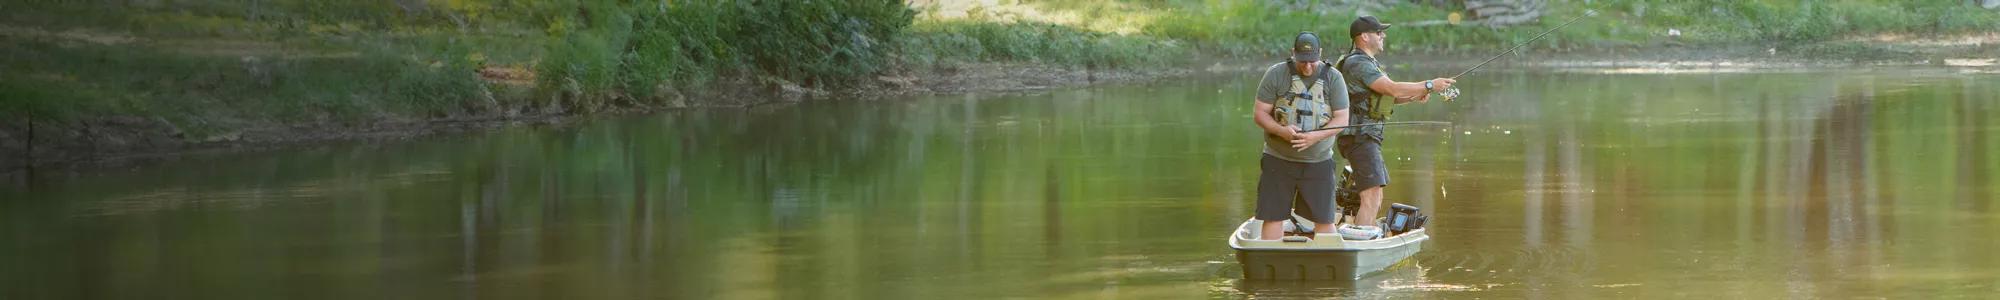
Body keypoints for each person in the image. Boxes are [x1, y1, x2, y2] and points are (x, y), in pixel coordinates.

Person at [1334, 16, 1454, 239]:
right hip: (1360, 137)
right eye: (1379, 32)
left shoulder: (1368, 63)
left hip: (1365, 137)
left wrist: (1416, 95)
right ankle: (1361, 245)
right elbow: (1392, 88)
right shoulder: (1358, 63)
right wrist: (1429, 85)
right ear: (1364, 36)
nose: (1383, 36)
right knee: (1371, 197)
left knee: (1374, 196)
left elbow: (1388, 96)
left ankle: (1362, 239)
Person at [1252, 31, 1350, 240]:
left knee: (1325, 219)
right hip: (1277, 159)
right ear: (1293, 53)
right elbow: (1260, 114)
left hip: (1319, 161)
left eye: (1312, 61)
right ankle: (1270, 262)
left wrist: (1315, 136)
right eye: (1302, 61)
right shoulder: (1276, 74)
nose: (1307, 66)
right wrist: (1281, 131)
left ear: (1320, 54)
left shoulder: (1334, 77)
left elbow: (1342, 118)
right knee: (1273, 217)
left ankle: (1326, 264)